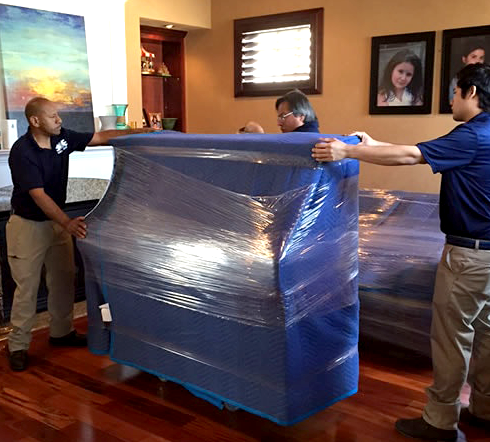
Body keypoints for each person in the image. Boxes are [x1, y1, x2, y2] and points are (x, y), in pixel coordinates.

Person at [312, 62, 490, 441]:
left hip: (470, 255)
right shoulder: (484, 135)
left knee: (452, 336)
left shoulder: (472, 135)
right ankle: (485, 408)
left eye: (455, 92)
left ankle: (440, 422)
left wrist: (347, 151)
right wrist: (371, 145)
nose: (452, 100)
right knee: (487, 333)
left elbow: (413, 156)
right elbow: (418, 150)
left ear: (471, 93)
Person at [6, 97, 153, 372]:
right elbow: (38, 196)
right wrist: (67, 223)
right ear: (35, 121)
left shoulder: (62, 138)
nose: (59, 120)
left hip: (57, 224)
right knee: (26, 288)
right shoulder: (22, 151)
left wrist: (139, 133)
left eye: (58, 115)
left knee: (63, 278)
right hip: (28, 225)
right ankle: (17, 346)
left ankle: (60, 333)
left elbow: (100, 137)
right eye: (52, 117)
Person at [240, 89, 320, 134]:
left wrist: (259, 137)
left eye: (283, 116)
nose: (279, 124)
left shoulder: (314, 143)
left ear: (300, 116)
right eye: (279, 118)